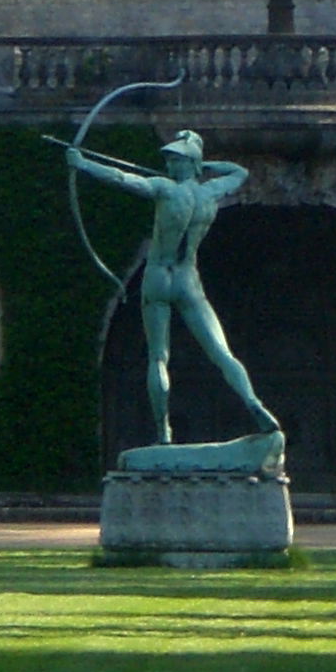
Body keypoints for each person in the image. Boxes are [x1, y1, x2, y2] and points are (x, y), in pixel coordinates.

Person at [69, 129, 281, 446]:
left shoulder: (164, 190)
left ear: (184, 163)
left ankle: (163, 431)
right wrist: (205, 164)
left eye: (174, 160)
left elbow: (121, 178)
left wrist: (83, 163)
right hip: (187, 278)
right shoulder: (210, 193)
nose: (169, 165)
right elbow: (240, 172)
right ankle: (253, 403)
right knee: (222, 353)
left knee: (158, 358)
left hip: (158, 277)